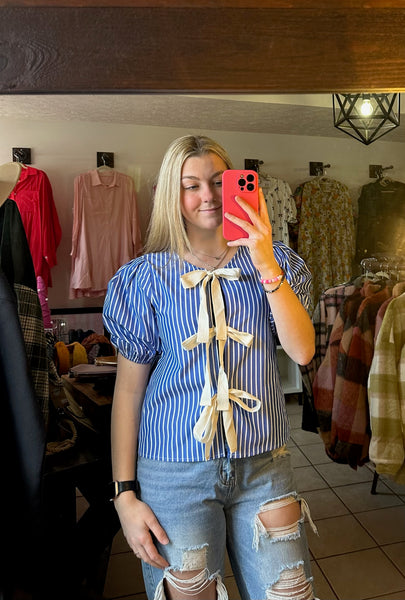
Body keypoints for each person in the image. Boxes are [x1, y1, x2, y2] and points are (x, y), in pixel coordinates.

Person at [103, 135, 318, 600]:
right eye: (191, 185)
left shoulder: (275, 262)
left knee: (290, 594)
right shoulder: (145, 279)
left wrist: (264, 258)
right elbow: (128, 392)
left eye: (220, 181)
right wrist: (124, 494)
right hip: (174, 472)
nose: (209, 195)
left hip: (264, 466)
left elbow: (302, 352)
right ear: (171, 196)